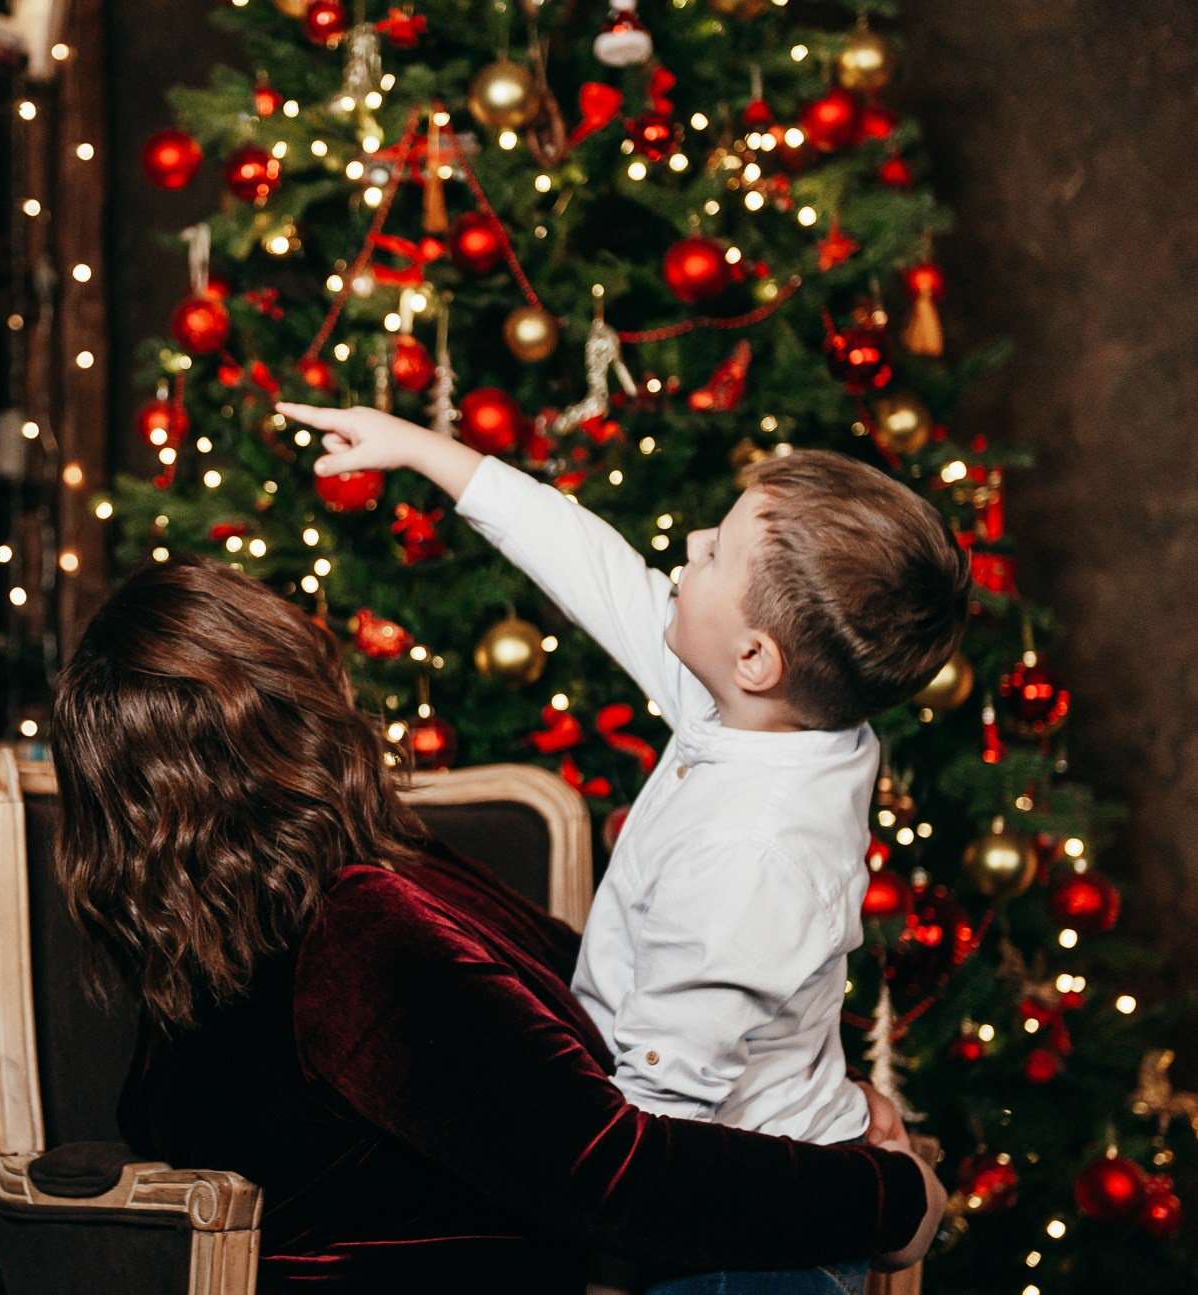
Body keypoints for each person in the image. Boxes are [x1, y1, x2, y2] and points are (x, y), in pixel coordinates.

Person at [50, 556, 946, 1294]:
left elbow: (594, 1002)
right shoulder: (354, 935)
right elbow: (618, 1172)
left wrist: (814, 1103)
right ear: (283, 704)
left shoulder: (297, 897)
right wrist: (891, 1198)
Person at [279, 400, 969, 1294]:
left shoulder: (753, 852)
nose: (686, 545)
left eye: (713, 552)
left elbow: (660, 1128)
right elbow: (595, 567)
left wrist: (598, 1273)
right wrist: (424, 452)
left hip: (739, 1235)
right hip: (711, 1170)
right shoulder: (758, 713)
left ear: (757, 656)